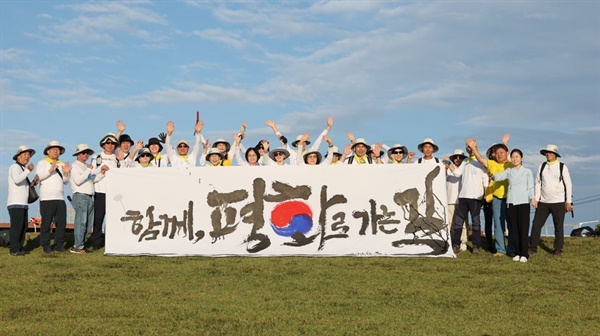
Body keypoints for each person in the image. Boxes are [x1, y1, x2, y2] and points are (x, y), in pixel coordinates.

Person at [467, 134, 514, 257]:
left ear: (506, 152)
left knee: (511, 224)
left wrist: (505, 144)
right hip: (497, 198)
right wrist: (473, 148)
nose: (499, 154)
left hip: (510, 198)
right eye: (497, 153)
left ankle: (512, 248)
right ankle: (500, 250)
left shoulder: (509, 164)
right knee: (498, 224)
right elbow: (480, 159)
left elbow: (514, 159)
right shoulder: (492, 164)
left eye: (502, 152)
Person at [491, 149, 534, 262]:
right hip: (512, 203)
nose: (515, 159)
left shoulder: (527, 171)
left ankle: (524, 253)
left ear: (521, 158)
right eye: (513, 157)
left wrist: (533, 198)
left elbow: (530, 187)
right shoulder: (509, 171)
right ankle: (517, 252)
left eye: (517, 157)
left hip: (524, 202)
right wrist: (492, 176)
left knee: (523, 229)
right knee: (514, 229)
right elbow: (499, 176)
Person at [529, 144, 573, 257]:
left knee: (558, 226)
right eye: (546, 152)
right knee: (536, 225)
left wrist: (568, 202)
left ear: (555, 154)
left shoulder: (562, 167)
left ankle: (557, 249)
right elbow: (537, 183)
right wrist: (536, 199)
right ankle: (533, 247)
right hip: (543, 202)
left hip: (558, 202)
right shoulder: (542, 166)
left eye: (550, 152)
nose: (548, 154)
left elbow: (568, 185)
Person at [446, 144, 488, 254]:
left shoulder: (481, 161)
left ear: (477, 146)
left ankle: (476, 246)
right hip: (462, 197)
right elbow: (457, 173)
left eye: (472, 146)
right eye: (468, 147)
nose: (470, 149)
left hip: (475, 197)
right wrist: (448, 164)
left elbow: (485, 179)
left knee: (476, 223)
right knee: (458, 223)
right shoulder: (465, 162)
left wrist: (486, 196)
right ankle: (456, 245)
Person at [36, 141, 71, 254]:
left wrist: (66, 173)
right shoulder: (42, 162)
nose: (55, 151)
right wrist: (50, 170)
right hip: (46, 198)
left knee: (61, 222)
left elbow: (65, 182)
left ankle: (58, 245)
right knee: (46, 223)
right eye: (53, 149)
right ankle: (46, 245)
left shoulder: (61, 164)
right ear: (48, 151)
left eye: (57, 149)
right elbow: (38, 177)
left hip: (60, 198)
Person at [7, 145, 37, 256]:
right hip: (15, 203)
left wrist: (33, 183)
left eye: (28, 155)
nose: (27, 157)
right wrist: (28, 171)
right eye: (25, 154)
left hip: (23, 204)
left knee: (23, 226)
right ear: (18, 157)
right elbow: (17, 180)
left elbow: (24, 185)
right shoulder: (14, 167)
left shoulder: (22, 169)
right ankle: (14, 249)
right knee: (17, 227)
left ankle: (19, 248)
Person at [91, 133, 119, 251]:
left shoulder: (117, 158)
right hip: (100, 191)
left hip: (113, 192)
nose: (110, 145)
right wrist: (101, 170)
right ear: (103, 145)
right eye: (108, 143)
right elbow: (92, 173)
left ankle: (113, 242)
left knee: (113, 219)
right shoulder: (97, 157)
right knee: (98, 219)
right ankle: (96, 242)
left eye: (113, 143)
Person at [70, 144, 97, 254]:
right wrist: (89, 170)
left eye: (87, 153)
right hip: (81, 195)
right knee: (81, 222)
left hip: (89, 196)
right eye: (83, 153)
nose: (86, 155)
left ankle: (81, 245)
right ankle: (78, 246)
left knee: (88, 223)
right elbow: (78, 180)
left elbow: (91, 180)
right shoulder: (75, 166)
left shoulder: (86, 166)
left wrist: (102, 173)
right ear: (78, 154)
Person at [445, 149, 468, 251]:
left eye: (460, 157)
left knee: (463, 223)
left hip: (462, 200)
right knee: (450, 223)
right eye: (456, 157)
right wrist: (445, 167)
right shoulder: (449, 169)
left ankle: (463, 241)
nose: (458, 159)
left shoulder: (465, 169)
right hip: (450, 200)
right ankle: (452, 241)